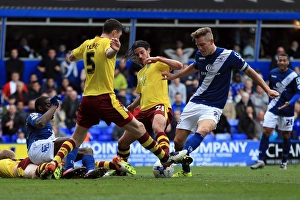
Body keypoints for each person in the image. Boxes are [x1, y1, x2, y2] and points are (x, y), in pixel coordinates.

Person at [41, 19, 187, 178]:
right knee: (139, 129)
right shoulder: (109, 44)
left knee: (76, 138)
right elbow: (108, 53)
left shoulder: (87, 43)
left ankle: (54, 162)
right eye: (120, 34)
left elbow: (70, 57)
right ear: (115, 32)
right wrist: (114, 50)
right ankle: (165, 158)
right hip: (104, 98)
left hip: (87, 99)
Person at [162, 27, 279, 177]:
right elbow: (194, 66)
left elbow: (249, 71)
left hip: (214, 105)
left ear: (211, 41)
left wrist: (267, 90)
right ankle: (186, 170)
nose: (200, 48)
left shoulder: (229, 56)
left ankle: (183, 153)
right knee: (178, 141)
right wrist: (175, 76)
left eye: (202, 44)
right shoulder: (200, 54)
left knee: (203, 130)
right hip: (196, 101)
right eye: (197, 45)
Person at [117, 40, 189, 165]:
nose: (140, 56)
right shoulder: (140, 73)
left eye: (142, 53)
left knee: (157, 127)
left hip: (160, 105)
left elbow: (179, 66)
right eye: (137, 54)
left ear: (148, 51)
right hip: (143, 111)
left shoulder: (158, 63)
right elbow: (142, 94)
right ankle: (121, 168)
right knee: (122, 142)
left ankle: (166, 161)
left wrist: (157, 58)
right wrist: (132, 106)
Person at [25, 95, 114, 179]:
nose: (53, 108)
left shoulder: (49, 125)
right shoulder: (34, 115)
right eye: (49, 105)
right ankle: (68, 169)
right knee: (72, 141)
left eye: (52, 106)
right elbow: (40, 124)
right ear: (40, 108)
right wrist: (54, 106)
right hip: (36, 149)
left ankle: (90, 171)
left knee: (87, 151)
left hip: (47, 151)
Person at [250, 53, 300, 170]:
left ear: (288, 62)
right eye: (280, 60)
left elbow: (298, 92)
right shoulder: (272, 73)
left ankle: (284, 162)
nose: (282, 62)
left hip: (287, 109)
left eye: (284, 61)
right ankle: (261, 160)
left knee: (286, 135)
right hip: (273, 108)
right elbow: (269, 90)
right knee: (266, 131)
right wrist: (269, 103)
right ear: (277, 62)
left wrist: (290, 102)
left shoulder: (294, 76)